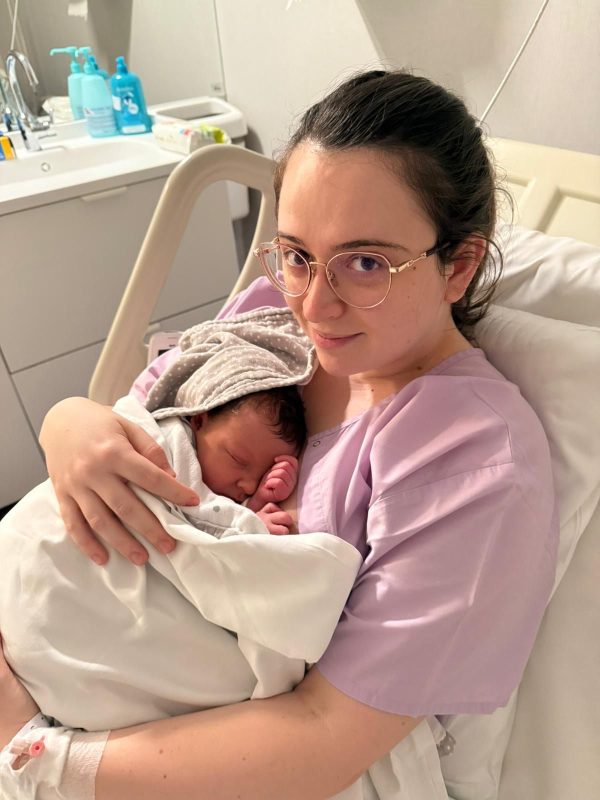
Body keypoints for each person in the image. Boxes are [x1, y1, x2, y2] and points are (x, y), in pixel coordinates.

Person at [0, 69, 558, 800]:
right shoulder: (269, 320)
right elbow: (140, 416)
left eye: (366, 263)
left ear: (459, 265)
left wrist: (33, 755)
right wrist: (69, 423)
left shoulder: (470, 459)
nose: (315, 306)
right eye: (297, 254)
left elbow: (324, 737)